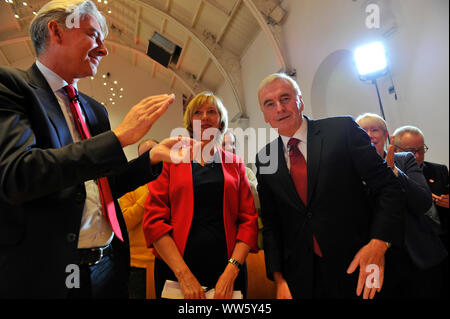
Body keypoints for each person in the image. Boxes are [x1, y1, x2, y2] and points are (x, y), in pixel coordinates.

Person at [0, 0, 191, 298]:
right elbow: (19, 175)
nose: (104, 49)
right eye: (93, 35)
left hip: (107, 265)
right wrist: (118, 139)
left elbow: (103, 187)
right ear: (56, 31)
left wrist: (150, 159)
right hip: (49, 271)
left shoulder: (94, 111)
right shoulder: (12, 87)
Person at [255, 73, 404, 299]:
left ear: (300, 101)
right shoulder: (265, 157)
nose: (279, 108)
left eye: (285, 98)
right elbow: (272, 223)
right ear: (265, 115)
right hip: (303, 279)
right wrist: (279, 280)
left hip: (362, 262)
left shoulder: (341, 130)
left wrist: (379, 244)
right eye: (270, 104)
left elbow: (388, 187)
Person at [143, 92, 258, 299]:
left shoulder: (235, 163)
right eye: (198, 112)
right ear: (190, 122)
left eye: (211, 112)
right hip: (176, 272)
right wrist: (184, 275)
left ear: (221, 121)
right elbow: (154, 221)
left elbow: (248, 221)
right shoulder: (170, 160)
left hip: (228, 272)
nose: (205, 117)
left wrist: (231, 271)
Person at [356, 113, 447, 298]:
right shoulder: (350, 170)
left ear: (386, 135)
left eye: (374, 129)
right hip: (380, 261)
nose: (369, 134)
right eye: (363, 131)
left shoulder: (404, 160)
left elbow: (423, 201)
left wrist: (394, 172)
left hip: (419, 253)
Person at [392, 125, 449, 297]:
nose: (416, 156)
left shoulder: (438, 170)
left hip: (442, 242)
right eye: (411, 151)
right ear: (396, 150)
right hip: (415, 249)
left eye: (420, 150)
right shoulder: (392, 173)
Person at [119, 138, 159, 299]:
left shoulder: (173, 184)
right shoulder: (129, 186)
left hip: (169, 263)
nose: (151, 160)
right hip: (138, 266)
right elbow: (125, 222)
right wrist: (148, 197)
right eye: (145, 156)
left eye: (154, 154)